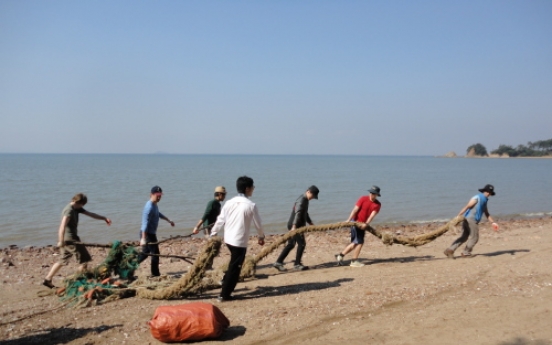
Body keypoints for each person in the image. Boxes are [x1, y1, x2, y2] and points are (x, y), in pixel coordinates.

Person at [210, 176, 265, 302]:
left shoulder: (229, 203)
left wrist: (213, 233)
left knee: (233, 264)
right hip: (239, 242)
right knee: (235, 268)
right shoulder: (251, 205)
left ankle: (225, 281)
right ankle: (224, 294)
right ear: (247, 189)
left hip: (228, 239)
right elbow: (258, 224)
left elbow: (220, 220)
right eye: (253, 187)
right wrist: (261, 236)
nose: (253, 189)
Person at [43, 193, 112, 289]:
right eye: (82, 205)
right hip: (70, 239)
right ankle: (79, 281)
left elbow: (90, 214)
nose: (82, 207)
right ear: (79, 202)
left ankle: (47, 279)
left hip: (69, 238)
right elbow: (62, 226)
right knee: (84, 260)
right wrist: (60, 241)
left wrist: (104, 218)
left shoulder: (76, 208)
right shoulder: (69, 210)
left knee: (63, 259)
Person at [444, 184, 498, 258]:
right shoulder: (477, 197)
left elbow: (487, 213)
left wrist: (493, 222)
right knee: (475, 237)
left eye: (489, 192)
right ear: (485, 191)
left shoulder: (485, 200)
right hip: (471, 219)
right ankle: (466, 252)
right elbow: (467, 206)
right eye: (488, 192)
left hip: (468, 219)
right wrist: (457, 217)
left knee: (464, 236)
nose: (488, 193)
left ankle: (450, 250)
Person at [273, 185, 319, 272]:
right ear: (308, 192)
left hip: (296, 225)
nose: (312, 198)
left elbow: (305, 213)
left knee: (291, 244)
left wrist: (310, 223)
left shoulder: (306, 200)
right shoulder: (301, 200)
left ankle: (278, 262)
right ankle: (297, 264)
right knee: (301, 244)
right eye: (312, 196)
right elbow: (297, 213)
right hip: (294, 226)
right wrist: (294, 227)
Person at [336, 186, 382, 267]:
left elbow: (372, 216)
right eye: (371, 193)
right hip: (355, 223)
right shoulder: (363, 199)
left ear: (377, 195)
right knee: (359, 242)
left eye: (374, 194)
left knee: (355, 243)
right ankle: (354, 261)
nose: (372, 195)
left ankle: (340, 256)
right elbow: (355, 209)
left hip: (363, 225)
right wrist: (348, 220)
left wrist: (366, 224)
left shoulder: (377, 205)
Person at [137, 186, 175, 277]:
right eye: (157, 195)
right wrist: (143, 238)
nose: (159, 197)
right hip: (148, 234)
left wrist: (168, 220)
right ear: (151, 194)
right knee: (155, 254)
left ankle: (129, 266)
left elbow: (158, 214)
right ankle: (155, 274)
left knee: (145, 254)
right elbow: (144, 224)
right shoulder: (149, 207)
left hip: (150, 233)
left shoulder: (154, 205)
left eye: (160, 195)